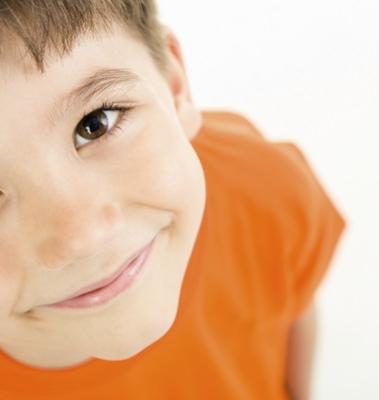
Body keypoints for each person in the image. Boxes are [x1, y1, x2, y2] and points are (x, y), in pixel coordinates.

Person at [0, 1, 346, 399]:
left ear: (174, 85)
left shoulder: (263, 188)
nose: (82, 238)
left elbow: (292, 305)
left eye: (95, 125)